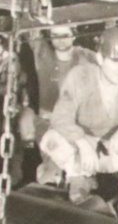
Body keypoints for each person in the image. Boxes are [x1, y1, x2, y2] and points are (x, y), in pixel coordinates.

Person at [38, 26, 118, 221]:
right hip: (82, 153)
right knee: (51, 138)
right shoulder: (80, 76)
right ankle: (79, 181)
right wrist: (81, 142)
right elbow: (61, 117)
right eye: (114, 61)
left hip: (114, 149)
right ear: (100, 59)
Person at [24, 24, 97, 184]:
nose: (60, 40)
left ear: (74, 35)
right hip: (47, 121)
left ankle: (78, 184)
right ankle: (51, 179)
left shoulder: (85, 56)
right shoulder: (43, 54)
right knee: (53, 160)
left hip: (77, 122)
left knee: (80, 165)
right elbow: (29, 25)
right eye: (55, 35)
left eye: (65, 35)